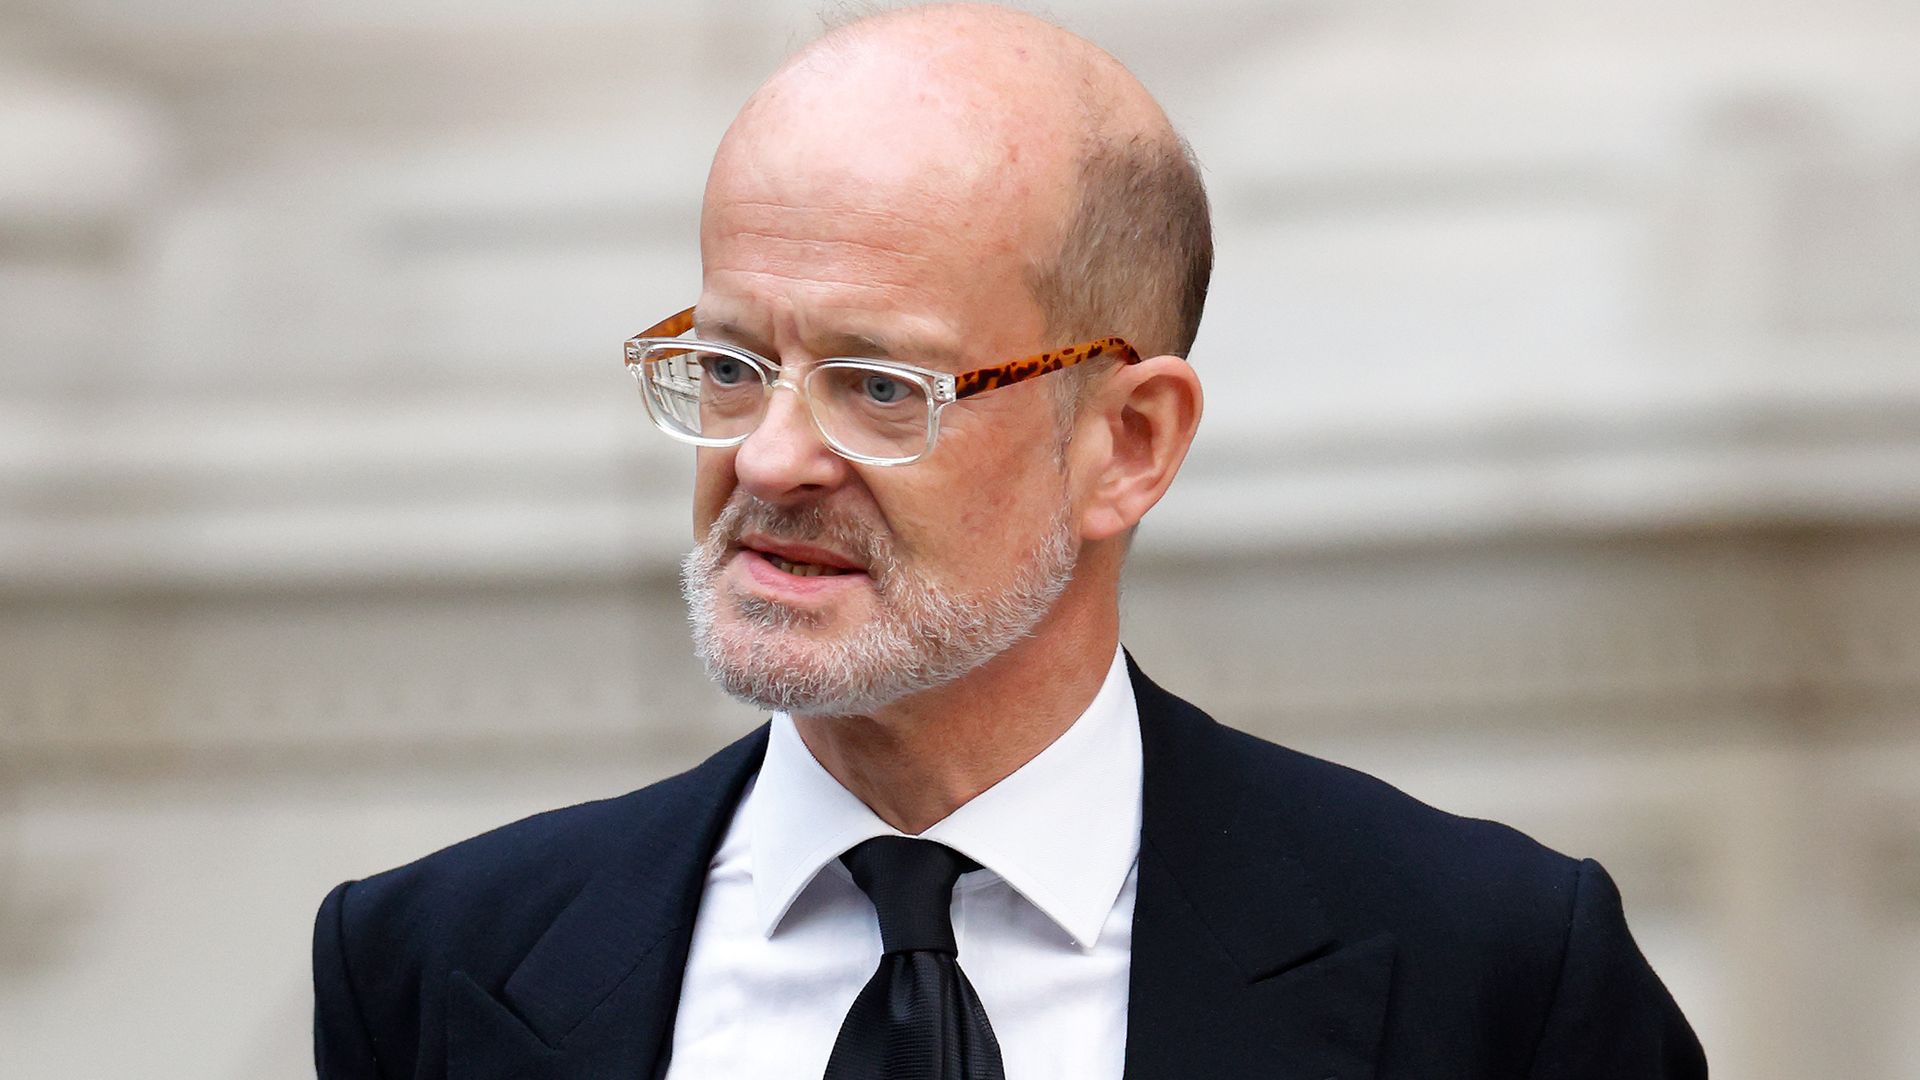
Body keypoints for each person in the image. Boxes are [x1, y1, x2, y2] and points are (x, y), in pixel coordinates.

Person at [312, 4, 1707, 1077]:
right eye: (733, 363)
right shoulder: (436, 964)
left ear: (1130, 444)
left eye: (879, 387)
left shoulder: (1490, 978)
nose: (771, 457)